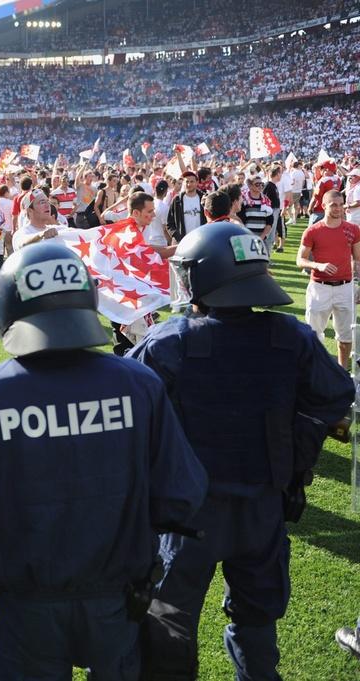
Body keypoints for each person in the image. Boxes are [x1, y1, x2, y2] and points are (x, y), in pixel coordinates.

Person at [0, 241, 207, 681]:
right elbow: (182, 494)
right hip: (118, 597)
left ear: (6, 307)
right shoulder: (138, 383)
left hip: (27, 599)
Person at [130, 221, 355, 681]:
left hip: (187, 514)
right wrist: (297, 440)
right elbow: (334, 397)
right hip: (264, 506)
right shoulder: (289, 336)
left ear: (203, 279)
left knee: (169, 623)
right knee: (256, 623)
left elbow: (127, 408)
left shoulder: (171, 342)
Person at [296, 190, 360, 370]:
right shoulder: (312, 231)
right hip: (319, 287)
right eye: (334, 205)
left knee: (346, 336)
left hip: (345, 287)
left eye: (341, 204)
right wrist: (318, 265)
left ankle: (342, 371)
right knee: (314, 334)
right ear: (324, 206)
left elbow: (358, 259)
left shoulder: (353, 229)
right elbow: (300, 260)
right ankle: (315, 370)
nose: (339, 208)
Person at [166, 170, 206, 242]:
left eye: (191, 181)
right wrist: (177, 236)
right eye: (187, 182)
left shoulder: (204, 199)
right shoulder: (177, 200)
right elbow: (169, 223)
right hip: (182, 242)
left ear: (197, 182)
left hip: (201, 241)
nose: (189, 184)